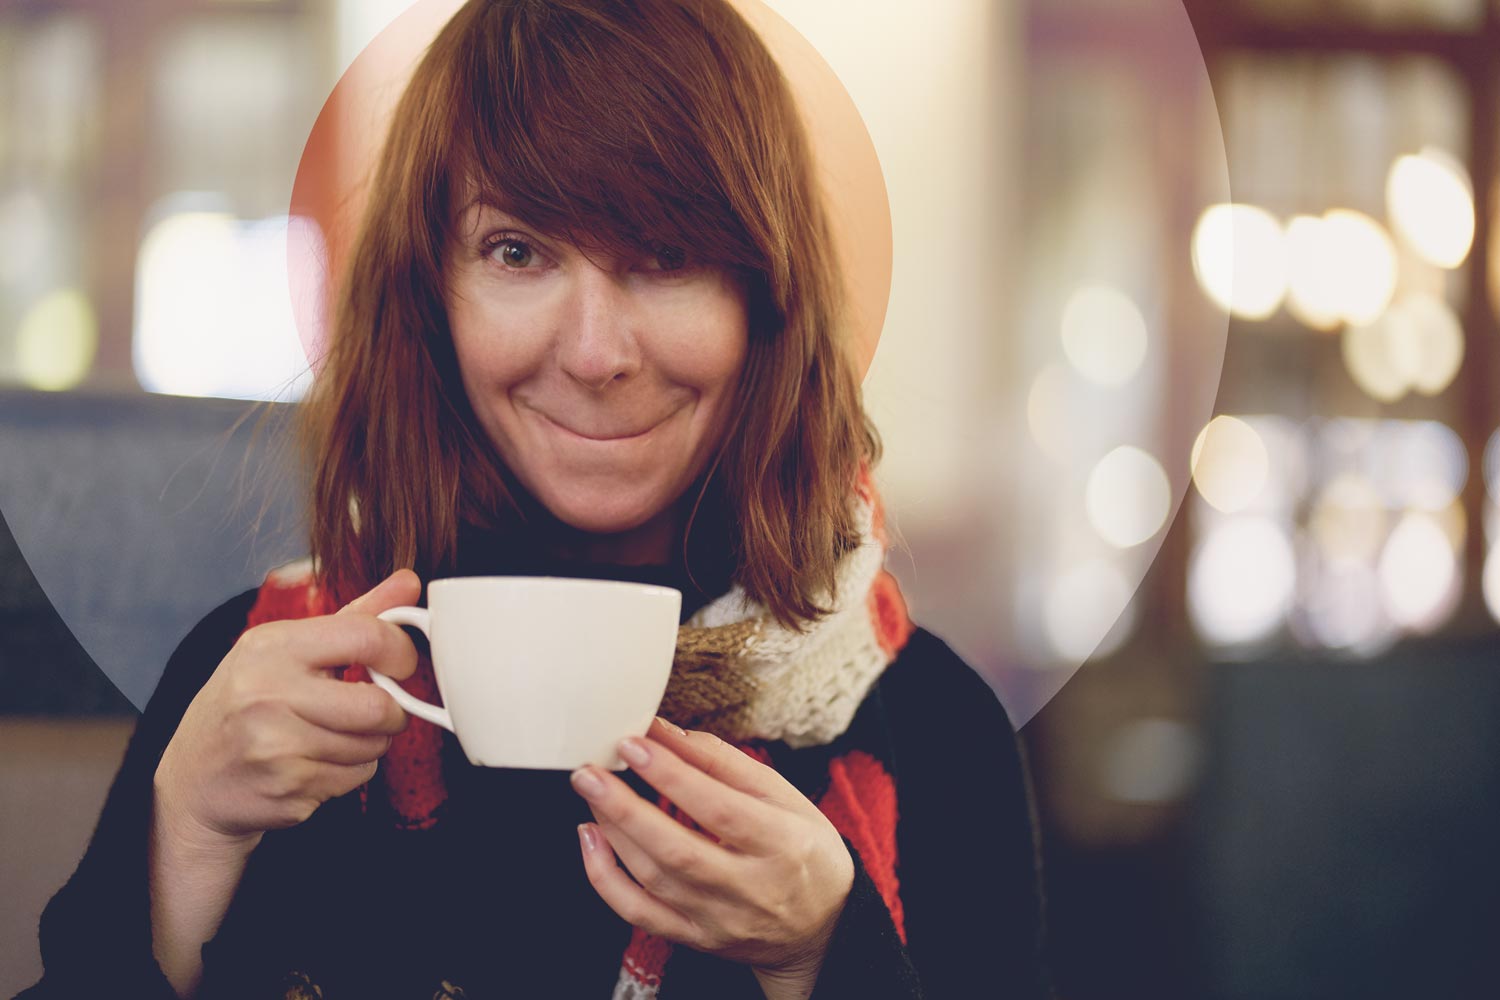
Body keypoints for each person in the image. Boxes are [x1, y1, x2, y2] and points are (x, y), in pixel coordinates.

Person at [23, 1, 1048, 997]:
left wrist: (822, 954)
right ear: (430, 296)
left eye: (669, 257)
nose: (595, 353)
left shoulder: (931, 726)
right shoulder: (264, 676)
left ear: (764, 305)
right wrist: (188, 835)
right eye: (518, 252)